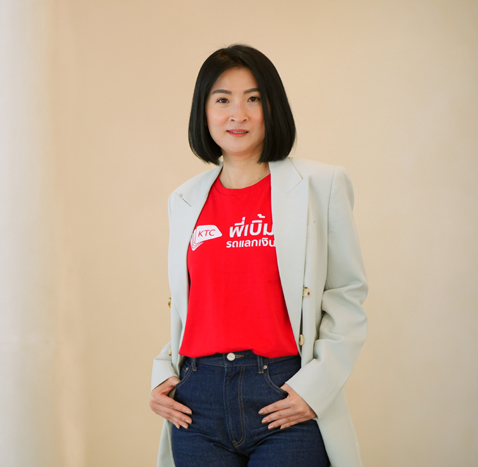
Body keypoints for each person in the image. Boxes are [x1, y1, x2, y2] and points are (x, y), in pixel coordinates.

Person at [149, 44, 368, 467]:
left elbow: (346, 293)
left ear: (272, 107)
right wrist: (163, 373)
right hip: (197, 402)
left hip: (284, 392)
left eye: (253, 98)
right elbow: (195, 309)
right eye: (222, 100)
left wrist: (315, 388)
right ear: (204, 112)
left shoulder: (321, 185)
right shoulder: (185, 199)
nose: (238, 114)